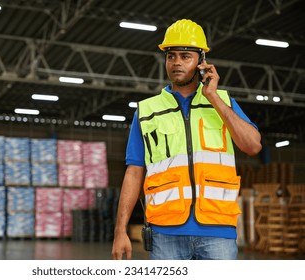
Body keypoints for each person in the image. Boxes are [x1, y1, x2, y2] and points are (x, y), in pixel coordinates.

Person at [112, 19, 262, 260]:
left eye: (185, 56)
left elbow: (253, 145)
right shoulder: (146, 112)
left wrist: (212, 97)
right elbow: (134, 172)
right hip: (165, 234)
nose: (177, 63)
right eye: (171, 56)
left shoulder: (222, 102)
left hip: (217, 232)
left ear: (202, 61)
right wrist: (120, 231)